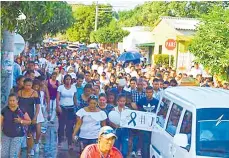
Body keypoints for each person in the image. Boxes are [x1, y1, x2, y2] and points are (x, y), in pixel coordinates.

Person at [1, 93, 31, 158]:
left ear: (17, 100)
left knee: (13, 155)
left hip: (18, 135)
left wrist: (21, 121)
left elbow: (29, 121)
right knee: (4, 155)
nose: (11, 102)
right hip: (6, 135)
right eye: (10, 100)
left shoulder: (21, 110)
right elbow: (0, 123)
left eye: (13, 100)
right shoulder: (4, 110)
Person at [56, 74, 77, 150]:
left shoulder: (73, 88)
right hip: (62, 108)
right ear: (64, 80)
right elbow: (57, 98)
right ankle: (60, 142)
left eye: (69, 79)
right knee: (61, 126)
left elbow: (75, 98)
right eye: (67, 79)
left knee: (70, 127)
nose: (68, 81)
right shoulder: (60, 87)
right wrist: (58, 106)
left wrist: (76, 108)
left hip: (71, 108)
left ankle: (69, 143)